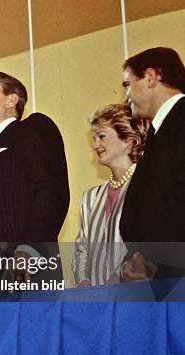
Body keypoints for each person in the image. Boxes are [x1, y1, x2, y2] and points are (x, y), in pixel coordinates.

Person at [0, 72, 69, 287]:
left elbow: (51, 192)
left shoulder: (32, 128)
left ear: (12, 100)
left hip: (24, 273)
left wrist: (29, 251)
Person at [119, 47, 185, 281]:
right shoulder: (160, 131)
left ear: (150, 77)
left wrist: (154, 262)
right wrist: (133, 260)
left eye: (127, 84)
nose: (125, 96)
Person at [72, 104, 148, 286]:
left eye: (102, 137)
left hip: (134, 298)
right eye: (94, 138)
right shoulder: (90, 198)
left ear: (128, 141)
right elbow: (81, 250)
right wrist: (84, 282)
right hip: (98, 303)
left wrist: (117, 279)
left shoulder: (147, 190)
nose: (96, 145)